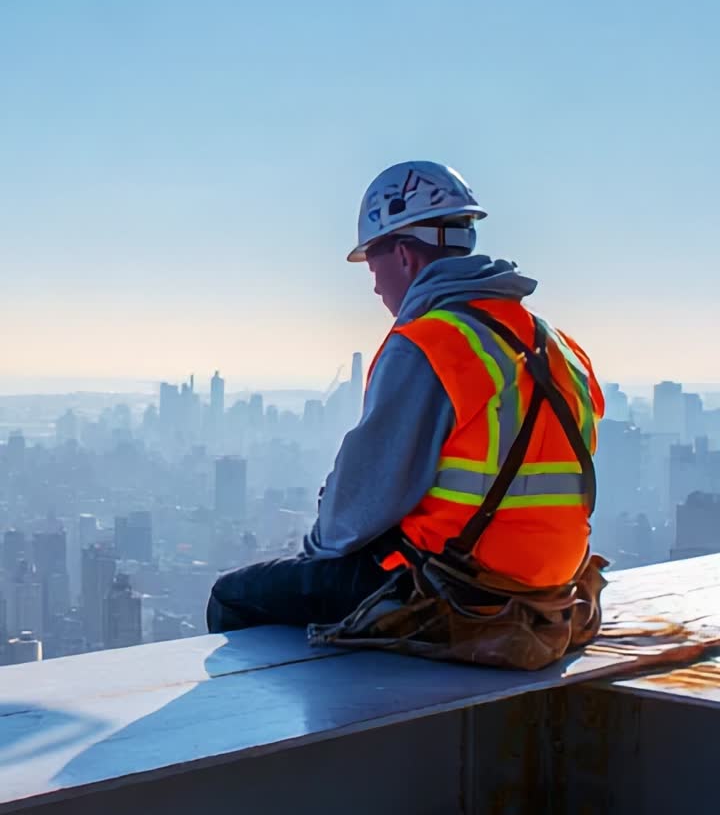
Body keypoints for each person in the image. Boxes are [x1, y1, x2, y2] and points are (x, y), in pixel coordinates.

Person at [206, 161, 604, 634]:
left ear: (403, 257)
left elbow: (354, 513)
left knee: (232, 598)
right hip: (551, 590)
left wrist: (315, 558)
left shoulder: (430, 344)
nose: (373, 282)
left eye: (372, 262)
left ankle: (335, 708)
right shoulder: (554, 343)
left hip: (456, 588)